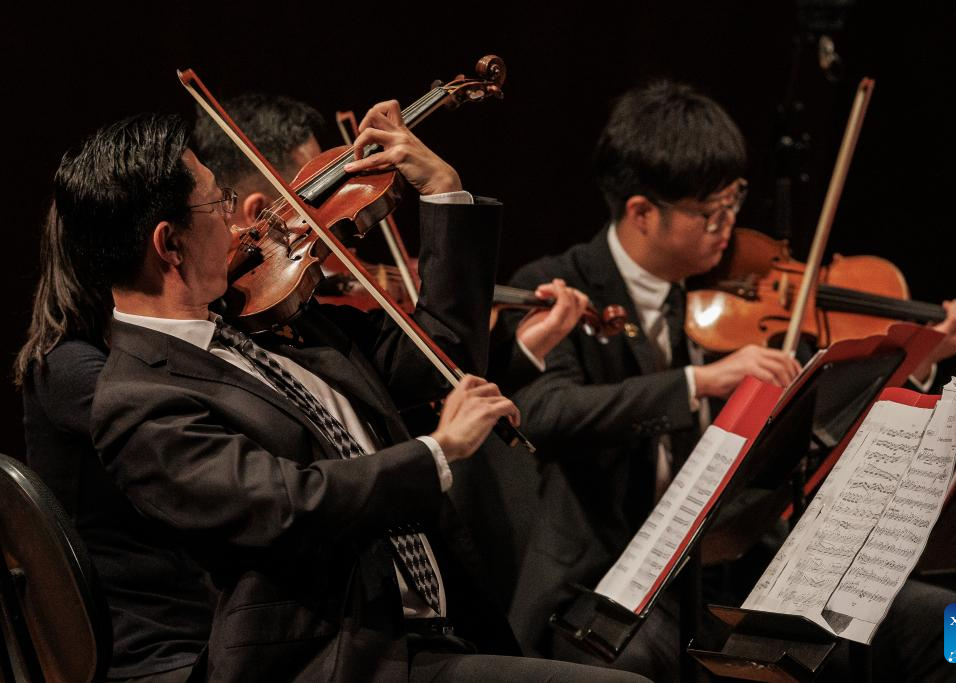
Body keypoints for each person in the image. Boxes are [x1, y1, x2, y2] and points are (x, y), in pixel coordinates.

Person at [62, 107, 643, 682]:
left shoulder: (260, 318)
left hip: (432, 632)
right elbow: (288, 504)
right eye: (217, 205)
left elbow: (436, 359)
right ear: (169, 244)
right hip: (338, 659)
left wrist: (444, 195)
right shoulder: (137, 399)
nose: (239, 224)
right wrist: (439, 450)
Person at [505, 80, 956, 682]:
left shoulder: (735, 294)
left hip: (738, 565)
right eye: (710, 213)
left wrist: (916, 358)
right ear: (641, 213)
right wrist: (697, 381)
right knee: (642, 669)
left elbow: (821, 420)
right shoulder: (558, 290)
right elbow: (544, 410)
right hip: (609, 587)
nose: (729, 227)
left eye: (735, 202)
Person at [15, 205, 216, 681]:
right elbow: (198, 430)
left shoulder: (108, 359)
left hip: (192, 614)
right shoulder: (65, 368)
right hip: (148, 641)